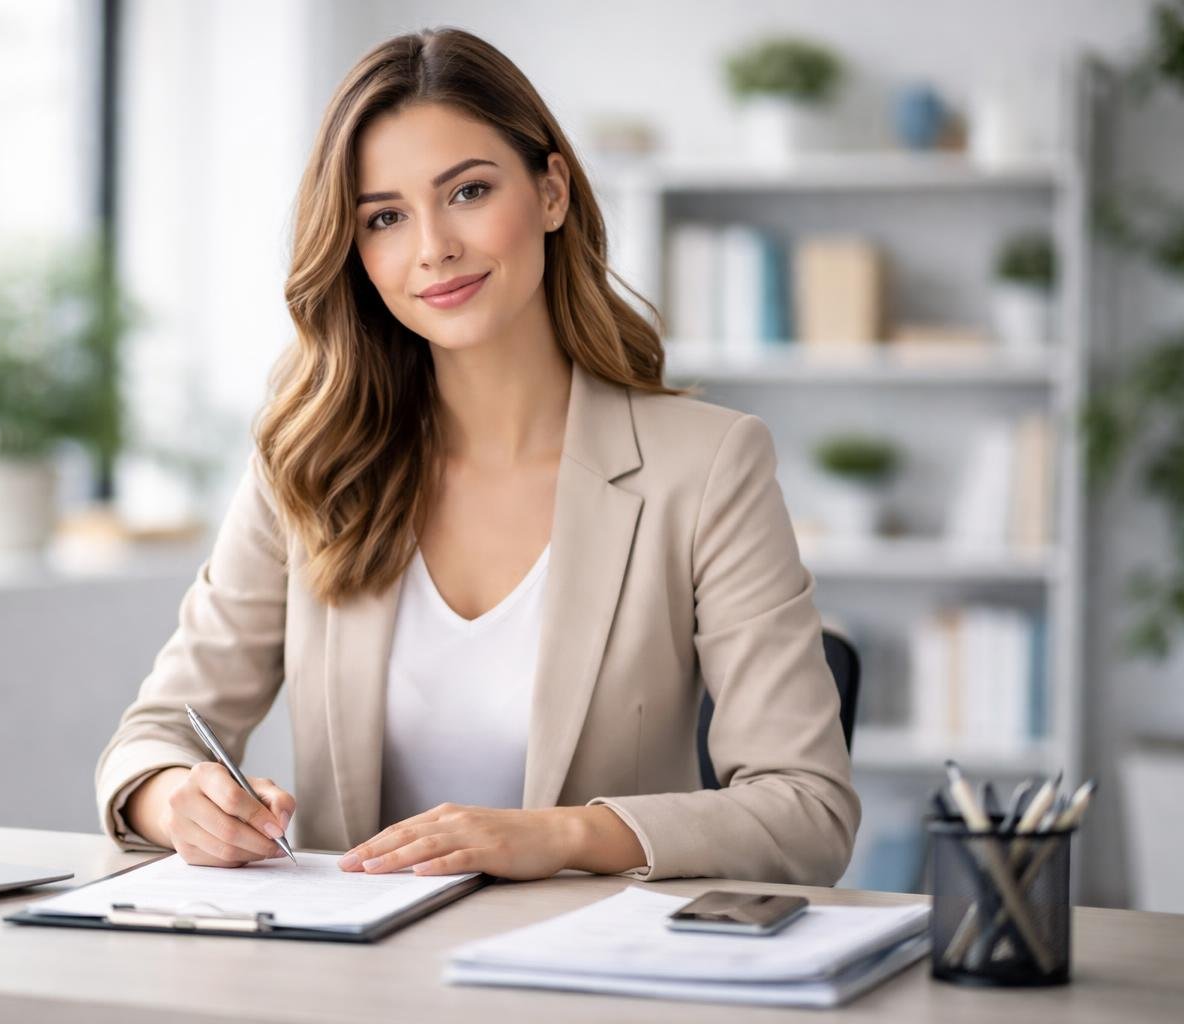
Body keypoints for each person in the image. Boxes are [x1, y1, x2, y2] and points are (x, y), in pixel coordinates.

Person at [96, 27, 859, 885]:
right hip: (353, 978)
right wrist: (177, 801)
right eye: (385, 217)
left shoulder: (708, 465)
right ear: (357, 254)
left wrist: (560, 837)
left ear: (553, 192)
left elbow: (808, 810)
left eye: (466, 192)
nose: (433, 247)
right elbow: (156, 735)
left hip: (595, 975)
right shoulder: (309, 462)